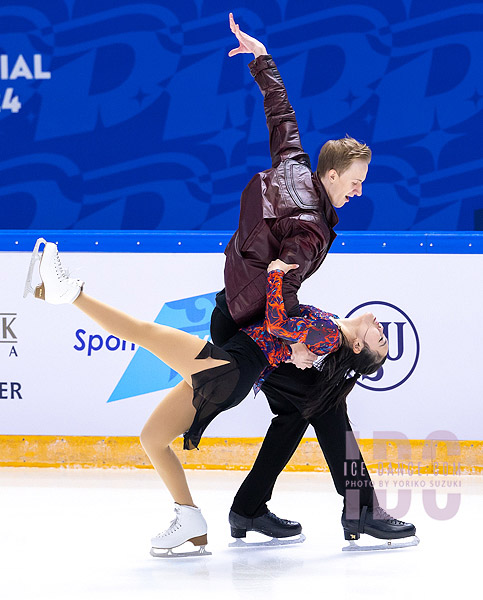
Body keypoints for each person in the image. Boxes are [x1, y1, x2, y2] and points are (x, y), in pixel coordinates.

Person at [25, 238, 387, 555]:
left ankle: (69, 292)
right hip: (230, 375)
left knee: (143, 332)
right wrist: (291, 350)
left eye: (380, 341)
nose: (381, 330)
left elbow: (277, 324)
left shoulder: (330, 333)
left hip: (227, 369)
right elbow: (281, 332)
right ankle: (190, 520)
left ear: (358, 346)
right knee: (152, 438)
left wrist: (275, 274)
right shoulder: (330, 325)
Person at [211, 14, 417, 546]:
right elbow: (280, 286)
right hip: (253, 328)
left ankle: (252, 508)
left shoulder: (296, 165)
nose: (358, 191)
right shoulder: (310, 227)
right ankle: (356, 511)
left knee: (303, 408)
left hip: (239, 311)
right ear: (330, 176)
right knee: (323, 398)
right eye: (355, 182)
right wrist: (295, 342)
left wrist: (263, 62)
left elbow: (282, 120)